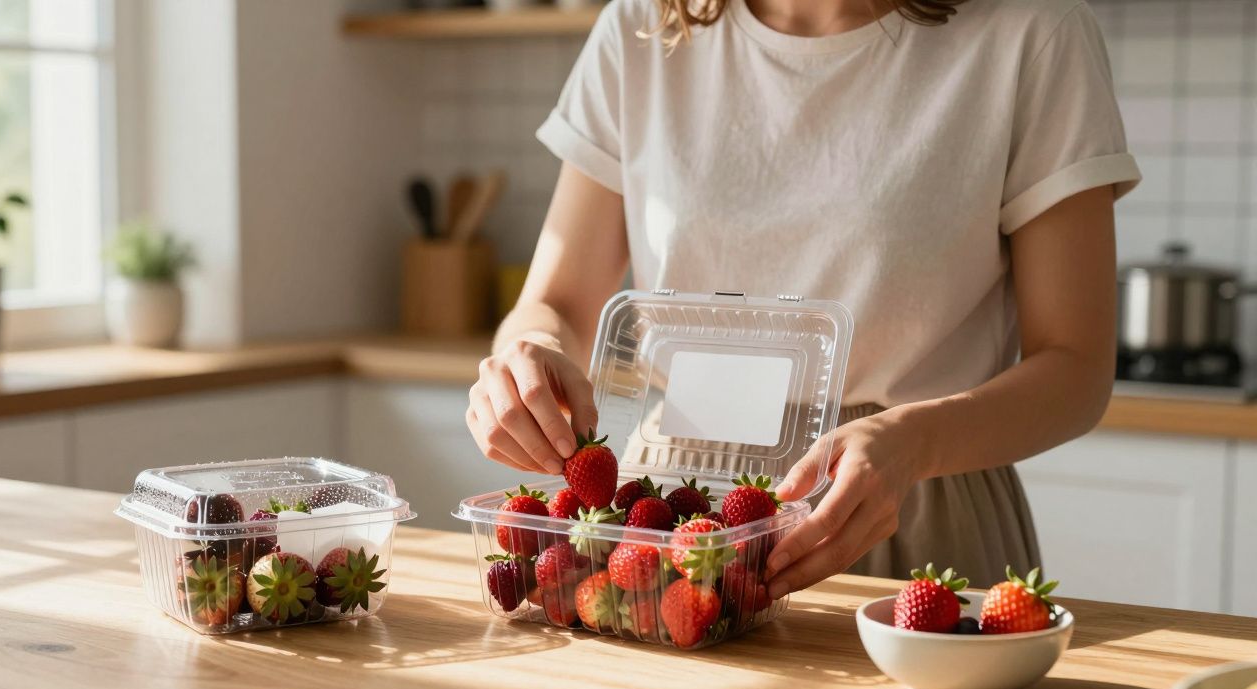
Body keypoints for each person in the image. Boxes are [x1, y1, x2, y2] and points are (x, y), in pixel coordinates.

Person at [464, 0, 1140, 598]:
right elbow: (556, 303)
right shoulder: (641, 27)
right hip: (669, 511)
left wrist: (914, 444)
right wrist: (529, 355)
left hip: (905, 503)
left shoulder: (1034, 33)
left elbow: (1075, 368)